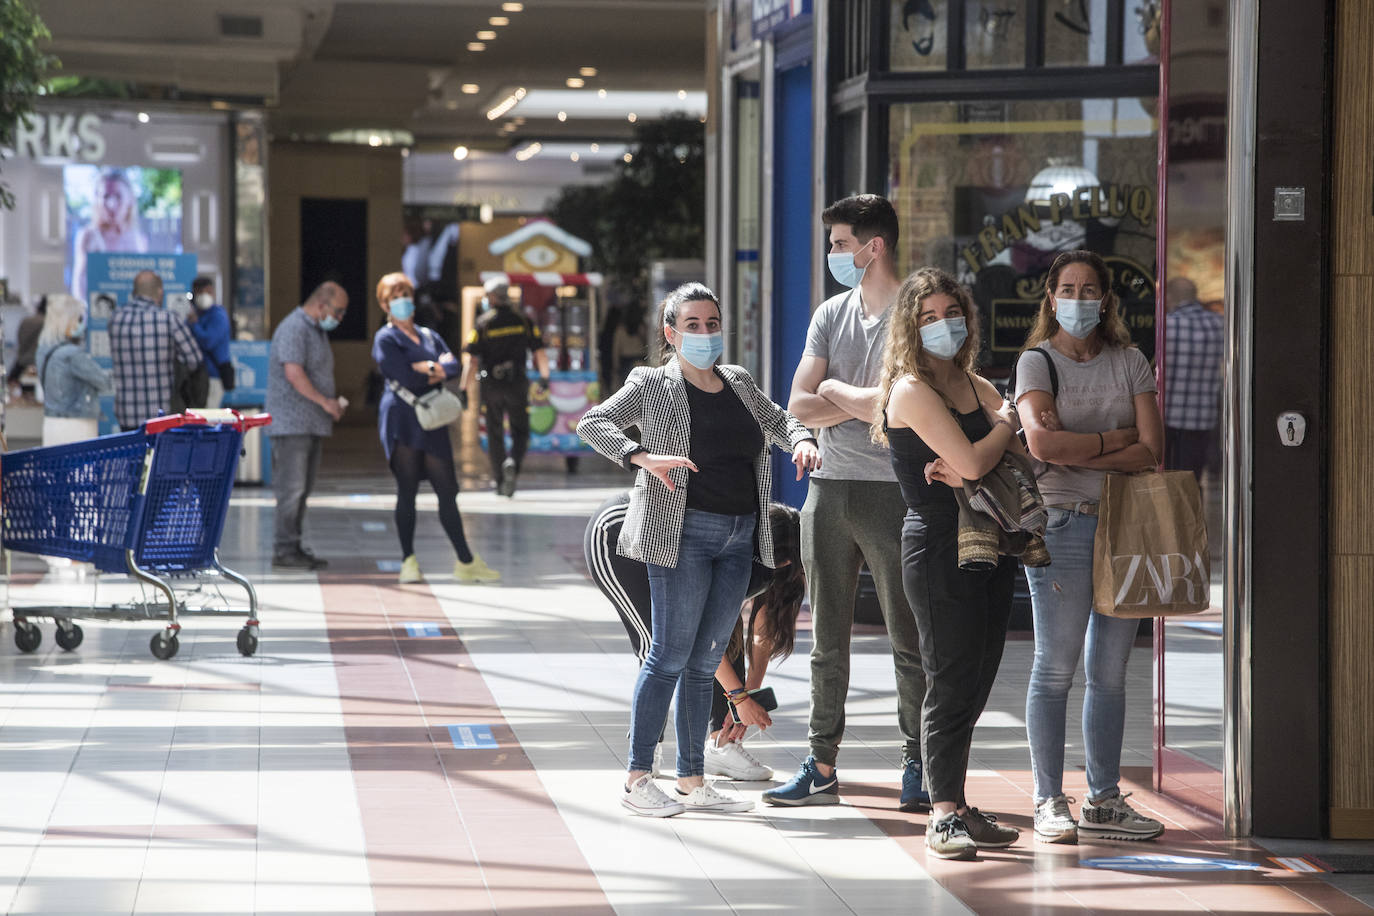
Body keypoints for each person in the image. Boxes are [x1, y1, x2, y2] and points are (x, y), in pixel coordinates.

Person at [577, 281, 820, 817]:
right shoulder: (651, 384)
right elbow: (591, 424)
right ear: (671, 333)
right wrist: (642, 456)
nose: (705, 334)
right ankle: (638, 777)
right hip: (681, 535)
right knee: (667, 656)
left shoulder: (737, 381)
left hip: (739, 536)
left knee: (705, 660)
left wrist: (800, 438)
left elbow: (780, 420)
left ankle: (692, 779)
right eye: (693, 325)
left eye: (712, 324)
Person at [768, 194, 928, 811]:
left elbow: (905, 404)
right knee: (825, 642)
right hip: (828, 493)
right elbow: (798, 404)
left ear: (873, 246)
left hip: (898, 492)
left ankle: (918, 762)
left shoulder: (915, 312)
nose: (833, 255)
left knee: (908, 640)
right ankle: (822, 762)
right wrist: (859, 400)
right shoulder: (830, 313)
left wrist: (832, 390)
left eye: (838, 244)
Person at [1013, 249, 1165, 844]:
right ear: (1051, 297)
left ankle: (1103, 799)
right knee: (1055, 668)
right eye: (1068, 289)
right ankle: (1049, 798)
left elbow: (1149, 449)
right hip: (1063, 525)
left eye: (1090, 289)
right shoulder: (1036, 363)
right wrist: (1113, 437)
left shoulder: (1130, 361)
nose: (1079, 299)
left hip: (1124, 525)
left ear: (1106, 299)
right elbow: (1045, 447)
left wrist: (1087, 445)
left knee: (1110, 671)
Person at [874, 268, 1023, 859]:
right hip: (938, 544)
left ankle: (957, 802)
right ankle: (941, 815)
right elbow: (981, 455)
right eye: (929, 315)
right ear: (911, 326)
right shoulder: (911, 389)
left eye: (951, 312)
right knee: (949, 676)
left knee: (980, 675)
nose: (943, 324)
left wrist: (996, 438)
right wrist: (1001, 428)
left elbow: (1020, 446)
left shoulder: (971, 382)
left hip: (991, 540)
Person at [584, 495, 805, 781]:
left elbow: (762, 633)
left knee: (724, 632)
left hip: (669, 544)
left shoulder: (771, 562)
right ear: (782, 559)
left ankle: (720, 743)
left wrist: (748, 693)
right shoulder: (738, 544)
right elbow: (701, 639)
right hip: (617, 536)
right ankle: (645, 755)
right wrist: (739, 699)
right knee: (660, 644)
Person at [372, 272, 499, 585]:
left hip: (433, 420)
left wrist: (428, 369)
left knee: (447, 490)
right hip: (403, 419)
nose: (403, 302)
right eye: (395, 297)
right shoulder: (386, 338)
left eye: (406, 294)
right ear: (385, 304)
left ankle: (466, 561)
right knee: (407, 490)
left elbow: (454, 365)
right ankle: (408, 561)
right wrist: (432, 370)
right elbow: (402, 374)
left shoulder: (429, 335)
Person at [266, 280, 349, 570]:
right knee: (291, 489)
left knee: (302, 489)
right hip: (292, 425)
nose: (339, 318)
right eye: (337, 311)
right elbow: (294, 373)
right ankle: (284, 549)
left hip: (310, 424)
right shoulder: (294, 327)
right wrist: (324, 402)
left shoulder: (314, 330)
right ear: (321, 304)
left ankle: (293, 545)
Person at [460, 278, 550, 497]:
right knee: (521, 431)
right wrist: (544, 377)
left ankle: (500, 481)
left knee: (494, 431)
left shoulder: (483, 323)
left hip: (491, 385)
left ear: (492, 297)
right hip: (517, 383)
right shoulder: (523, 320)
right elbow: (539, 351)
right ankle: (513, 463)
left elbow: (471, 361)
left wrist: (464, 389)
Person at [109, 271, 202, 431]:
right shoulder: (168, 319)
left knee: (133, 456)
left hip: (127, 414)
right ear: (160, 292)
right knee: (160, 456)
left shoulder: (116, 319)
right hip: (161, 416)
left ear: (134, 292)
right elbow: (194, 359)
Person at [1162, 275, 1224, 482]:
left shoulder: (1166, 326)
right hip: (1202, 419)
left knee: (1166, 481)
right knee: (1190, 481)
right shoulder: (1219, 324)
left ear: (1169, 297)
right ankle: (1190, 514)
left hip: (1167, 416)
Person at [35, 293, 111, 446]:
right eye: (79, 319)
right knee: (81, 469)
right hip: (77, 425)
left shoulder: (42, 350)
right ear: (68, 321)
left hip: (51, 423)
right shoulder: (72, 354)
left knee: (54, 469)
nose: (81, 324)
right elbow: (104, 382)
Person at [71, 168, 149, 301]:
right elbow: (79, 282)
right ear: (97, 199)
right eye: (106, 196)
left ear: (129, 199)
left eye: (118, 196)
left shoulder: (139, 239)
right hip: (98, 311)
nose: (111, 204)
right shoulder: (88, 236)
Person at [187, 276, 235, 409]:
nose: (204, 296)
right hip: (196, 376)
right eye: (200, 292)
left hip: (213, 376)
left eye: (208, 292)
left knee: (209, 416)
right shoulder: (193, 314)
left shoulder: (218, 315)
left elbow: (209, 341)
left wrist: (195, 325)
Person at [7, 297, 46, 393]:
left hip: (21, 360)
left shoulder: (26, 320)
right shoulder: (45, 322)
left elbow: (19, 337)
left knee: (22, 391)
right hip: (37, 361)